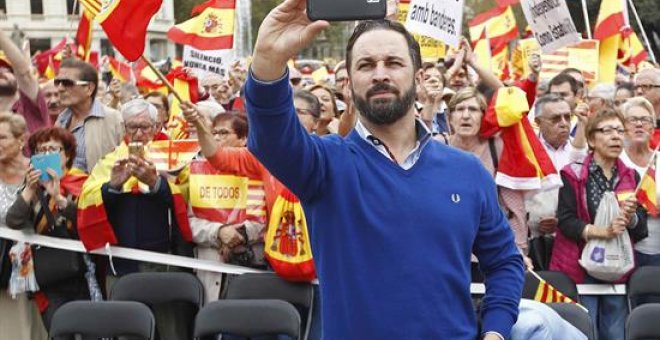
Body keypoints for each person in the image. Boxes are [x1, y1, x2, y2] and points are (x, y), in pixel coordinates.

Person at [247, 4, 523, 338]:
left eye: (393, 63)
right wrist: (267, 60)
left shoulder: (467, 172)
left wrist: (496, 330)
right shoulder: (324, 166)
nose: (380, 73)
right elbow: (271, 137)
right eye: (366, 65)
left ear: (419, 77)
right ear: (349, 83)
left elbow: (505, 261)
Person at [77, 99, 194, 340]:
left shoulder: (173, 158)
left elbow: (188, 197)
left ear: (156, 126)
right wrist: (112, 187)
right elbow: (87, 199)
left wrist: (157, 184)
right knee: (127, 329)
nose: (139, 133)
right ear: (123, 128)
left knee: (172, 329)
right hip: (121, 264)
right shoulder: (109, 161)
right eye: (132, 127)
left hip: (166, 262)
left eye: (145, 126)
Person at [551, 108, 648, 340]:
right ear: (592, 139)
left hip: (617, 267)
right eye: (608, 131)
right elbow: (565, 221)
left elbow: (641, 227)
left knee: (615, 332)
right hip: (579, 267)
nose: (616, 136)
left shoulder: (631, 177)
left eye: (619, 131)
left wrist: (631, 217)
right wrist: (602, 232)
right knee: (584, 330)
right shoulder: (572, 174)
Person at [6, 126, 96, 331]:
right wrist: (29, 190)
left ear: (67, 155)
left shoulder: (83, 184)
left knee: (90, 329)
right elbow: (14, 221)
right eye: (40, 150)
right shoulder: (31, 188)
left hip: (80, 274)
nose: (46, 155)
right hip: (49, 276)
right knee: (59, 330)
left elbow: (85, 222)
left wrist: (59, 198)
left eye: (53, 150)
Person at [445, 87, 529, 266]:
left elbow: (513, 207)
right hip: (446, 250)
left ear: (484, 116)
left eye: (473, 109)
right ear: (449, 117)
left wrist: (518, 249)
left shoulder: (497, 148)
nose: (466, 115)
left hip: (488, 250)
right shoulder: (437, 146)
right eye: (459, 109)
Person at [0, 113, 48, 339]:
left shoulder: (39, 170)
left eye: (2, 137)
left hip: (31, 268)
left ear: (21, 140)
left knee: (25, 327)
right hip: (0, 268)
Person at [55, 58, 123, 172]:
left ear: (89, 88)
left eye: (67, 83)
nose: (60, 88)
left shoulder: (113, 120)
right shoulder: (61, 120)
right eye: (58, 82)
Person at [619, 97, 660, 268]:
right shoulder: (616, 160)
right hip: (623, 250)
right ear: (623, 126)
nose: (639, 124)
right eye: (633, 120)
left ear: (653, 128)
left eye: (645, 120)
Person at [0, 29, 49, 134]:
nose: (1, 72)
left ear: (16, 76)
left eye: (7, 69)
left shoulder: (30, 105)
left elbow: (24, 73)